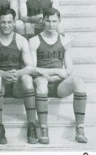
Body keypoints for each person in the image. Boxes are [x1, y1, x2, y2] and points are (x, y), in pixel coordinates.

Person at [29, 8, 88, 144]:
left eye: (54, 21)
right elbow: (32, 68)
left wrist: (56, 76)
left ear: (59, 22)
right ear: (43, 20)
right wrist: (54, 72)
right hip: (41, 80)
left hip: (59, 84)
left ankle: (80, 128)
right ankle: (43, 128)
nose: (50, 24)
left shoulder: (65, 41)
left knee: (78, 81)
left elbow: (68, 69)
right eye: (48, 20)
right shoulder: (34, 41)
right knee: (42, 82)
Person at [0, 8, 38, 144]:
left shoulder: (21, 40)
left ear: (14, 23)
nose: (6, 25)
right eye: (3, 22)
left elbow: (30, 67)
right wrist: (2, 74)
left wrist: (17, 73)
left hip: (15, 82)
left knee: (27, 78)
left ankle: (32, 125)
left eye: (9, 22)